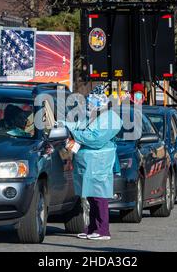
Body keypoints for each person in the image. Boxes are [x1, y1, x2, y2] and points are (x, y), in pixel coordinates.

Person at [65, 85, 122, 240]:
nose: (88, 105)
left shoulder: (109, 118)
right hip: (87, 160)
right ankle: (92, 228)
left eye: (91, 102)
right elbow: (78, 126)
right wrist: (63, 125)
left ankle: (103, 230)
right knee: (89, 195)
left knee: (99, 195)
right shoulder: (90, 116)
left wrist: (74, 134)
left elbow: (95, 139)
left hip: (100, 161)